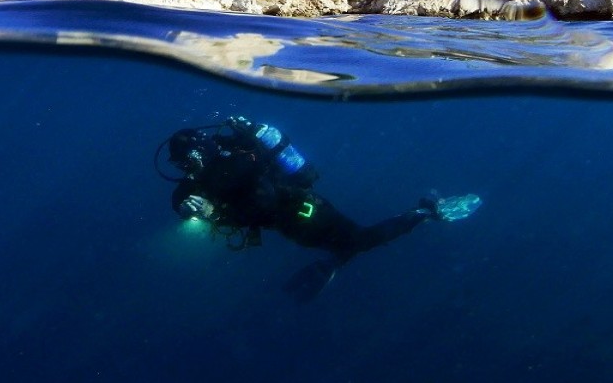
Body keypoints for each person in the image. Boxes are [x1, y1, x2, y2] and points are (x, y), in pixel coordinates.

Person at [157, 116, 480, 303]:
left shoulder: (239, 161)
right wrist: (186, 209)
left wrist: (214, 213)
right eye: (179, 164)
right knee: (351, 244)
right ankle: (342, 256)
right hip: (289, 222)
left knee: (359, 241)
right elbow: (181, 196)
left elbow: (262, 203)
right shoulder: (203, 177)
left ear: (201, 151)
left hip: (305, 211)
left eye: (187, 161)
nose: (185, 168)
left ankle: (425, 212)